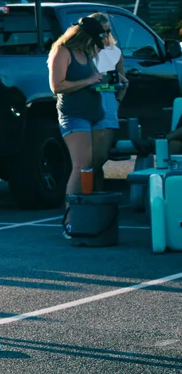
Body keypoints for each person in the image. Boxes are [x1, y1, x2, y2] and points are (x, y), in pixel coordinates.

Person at [48, 16, 105, 226]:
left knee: (92, 165)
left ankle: (89, 213)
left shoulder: (86, 52)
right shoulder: (62, 51)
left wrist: (106, 82)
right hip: (74, 115)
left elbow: (95, 77)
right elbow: (57, 86)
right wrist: (88, 81)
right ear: (83, 36)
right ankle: (70, 218)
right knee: (80, 166)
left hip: (94, 113)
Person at [90, 13, 129, 192]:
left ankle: (97, 192)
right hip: (89, 100)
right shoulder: (85, 51)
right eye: (102, 31)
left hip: (109, 100)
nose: (105, 35)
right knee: (89, 156)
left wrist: (118, 101)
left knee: (101, 155)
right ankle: (89, 191)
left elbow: (124, 81)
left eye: (108, 31)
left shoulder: (115, 52)